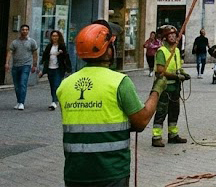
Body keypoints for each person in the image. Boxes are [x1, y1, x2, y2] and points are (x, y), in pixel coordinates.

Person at [58, 20, 166, 187]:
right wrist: (156, 90)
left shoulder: (65, 85)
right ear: (108, 51)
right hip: (112, 172)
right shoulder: (120, 82)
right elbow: (141, 121)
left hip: (75, 173)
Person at [152, 25, 189, 147]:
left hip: (175, 88)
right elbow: (161, 70)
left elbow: (178, 67)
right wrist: (176, 76)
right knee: (162, 112)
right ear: (165, 38)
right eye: (170, 35)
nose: (173, 37)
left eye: (174, 34)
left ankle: (172, 135)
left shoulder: (177, 51)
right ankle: (156, 136)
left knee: (174, 111)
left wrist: (182, 73)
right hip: (165, 87)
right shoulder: (162, 51)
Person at [5, 24, 38, 110]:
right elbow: (10, 52)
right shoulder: (15, 42)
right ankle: (18, 101)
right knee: (16, 85)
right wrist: (7, 63)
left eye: (26, 30)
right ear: (20, 31)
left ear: (28, 31)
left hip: (26, 65)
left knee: (23, 83)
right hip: (15, 66)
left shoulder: (32, 42)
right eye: (23, 29)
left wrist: (34, 65)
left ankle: (22, 103)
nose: (25, 31)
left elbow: (35, 53)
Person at [40, 30, 72, 110]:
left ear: (59, 37)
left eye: (56, 36)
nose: (55, 37)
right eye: (53, 36)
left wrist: (61, 53)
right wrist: (42, 70)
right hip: (50, 68)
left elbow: (66, 57)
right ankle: (54, 99)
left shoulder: (62, 46)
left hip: (59, 69)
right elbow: (44, 58)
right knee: (52, 86)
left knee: (56, 85)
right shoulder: (49, 46)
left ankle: (54, 102)